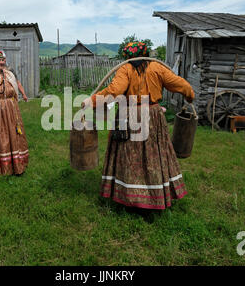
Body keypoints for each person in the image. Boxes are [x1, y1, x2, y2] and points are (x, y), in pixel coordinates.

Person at [82, 41, 195, 210]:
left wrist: (91, 100)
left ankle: (130, 195)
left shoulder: (126, 69)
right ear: (146, 53)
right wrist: (190, 96)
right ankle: (153, 195)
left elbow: (115, 90)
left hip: (130, 115)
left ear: (127, 56)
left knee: (129, 154)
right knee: (154, 153)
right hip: (153, 115)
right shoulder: (157, 68)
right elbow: (181, 84)